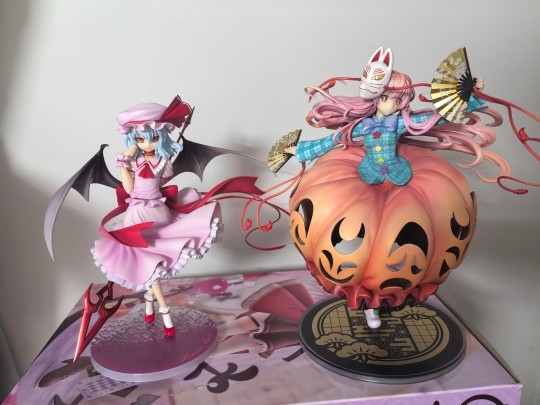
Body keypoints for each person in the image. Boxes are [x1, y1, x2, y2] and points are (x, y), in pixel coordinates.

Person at [92, 99, 222, 337]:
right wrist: (123, 164)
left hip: (159, 213)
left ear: (161, 137)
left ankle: (153, 303)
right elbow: (129, 190)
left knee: (156, 263)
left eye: (152, 138)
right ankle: (160, 308)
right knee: (148, 264)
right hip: (137, 215)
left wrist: (164, 157)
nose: (146, 143)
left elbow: (161, 181)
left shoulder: (164, 161)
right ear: (133, 139)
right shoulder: (133, 162)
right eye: (140, 139)